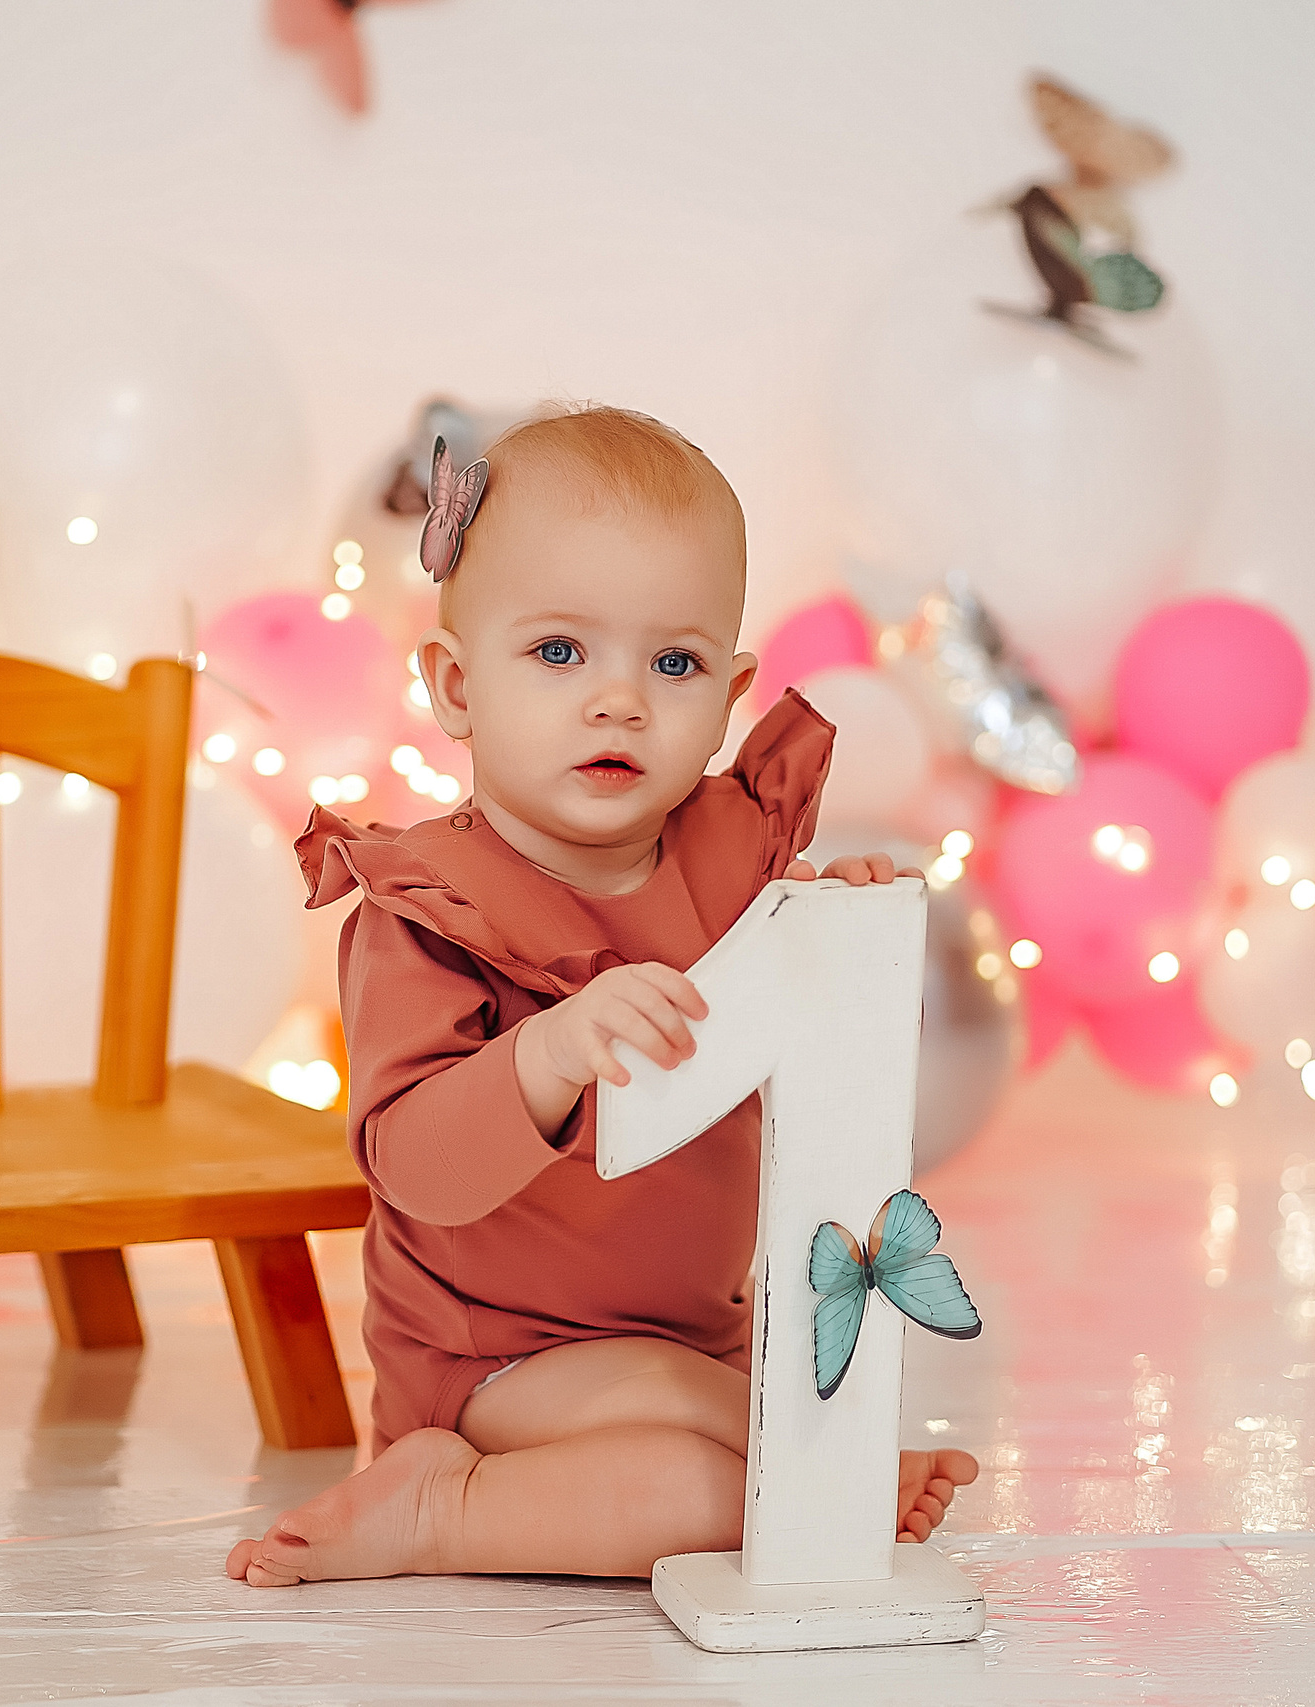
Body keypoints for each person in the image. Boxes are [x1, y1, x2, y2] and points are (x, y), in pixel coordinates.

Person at [227, 405, 977, 1588]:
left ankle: (817, 1466)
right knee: (722, 1490)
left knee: (722, 1479)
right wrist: (547, 1054)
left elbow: (822, 1067)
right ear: (456, 686)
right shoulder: (431, 911)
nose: (619, 699)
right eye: (559, 653)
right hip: (492, 1363)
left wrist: (839, 944)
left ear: (728, 696)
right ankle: (439, 1505)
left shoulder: (734, 869)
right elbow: (413, 1166)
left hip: (697, 1342)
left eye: (672, 664)